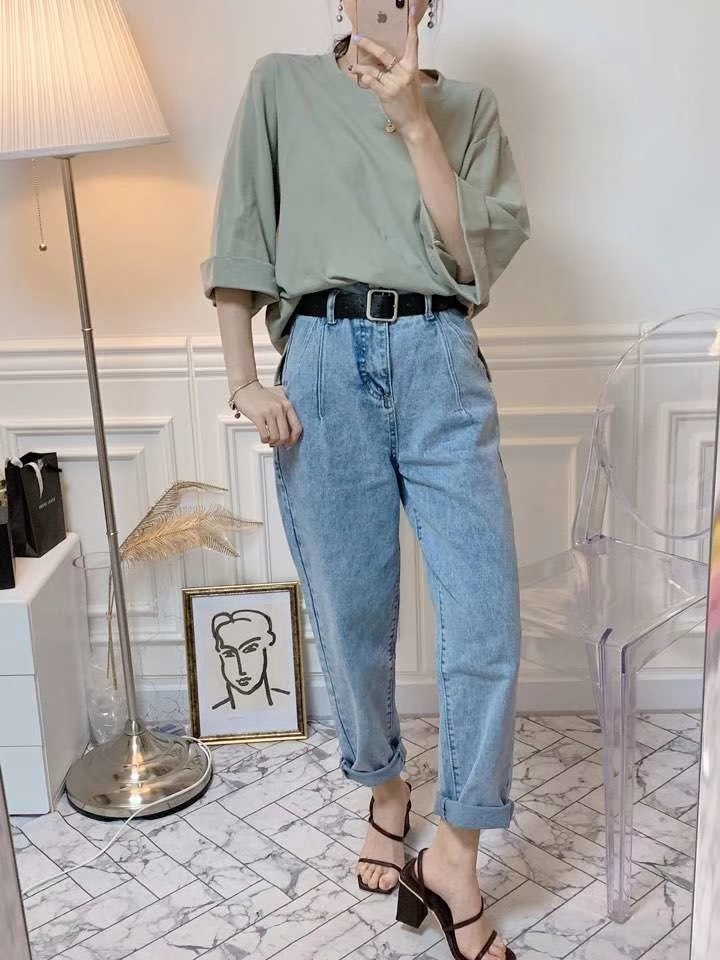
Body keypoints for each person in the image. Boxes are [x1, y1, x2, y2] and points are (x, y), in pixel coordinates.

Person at [201, 2, 530, 957]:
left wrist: (414, 120)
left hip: (439, 357)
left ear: (428, 4)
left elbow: (471, 261)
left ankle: (455, 855)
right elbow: (242, 232)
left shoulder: (468, 108)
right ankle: (387, 789)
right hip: (322, 361)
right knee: (352, 613)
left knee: (486, 617)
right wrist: (243, 379)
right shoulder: (281, 84)